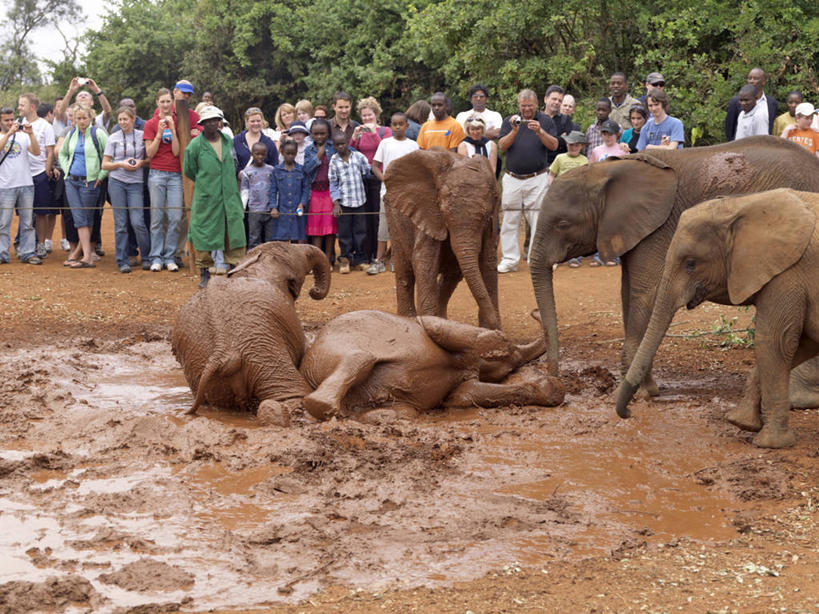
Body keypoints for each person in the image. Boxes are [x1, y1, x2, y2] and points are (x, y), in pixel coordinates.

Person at [183, 106, 246, 288]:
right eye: (207, 121)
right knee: (204, 232)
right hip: (207, 196)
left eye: (215, 120)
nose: (211, 124)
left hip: (229, 195)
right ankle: (204, 272)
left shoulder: (227, 140)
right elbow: (190, 170)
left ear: (219, 121)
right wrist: (208, 182)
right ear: (202, 124)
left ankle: (234, 271)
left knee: (233, 231)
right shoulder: (194, 146)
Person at [496, 89, 558, 273]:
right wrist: (514, 130)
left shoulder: (545, 120)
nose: (527, 109)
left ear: (536, 104)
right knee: (509, 219)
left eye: (530, 106)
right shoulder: (510, 121)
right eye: (523, 106)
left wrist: (540, 131)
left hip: (537, 178)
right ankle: (509, 260)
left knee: (538, 219)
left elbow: (554, 145)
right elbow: (502, 146)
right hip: (512, 178)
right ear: (519, 105)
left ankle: (537, 259)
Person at [143, 88, 188, 272]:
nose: (165, 105)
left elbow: (177, 152)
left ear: (172, 102)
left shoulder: (178, 121)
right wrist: (160, 133)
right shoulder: (150, 124)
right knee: (157, 218)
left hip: (175, 174)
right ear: (157, 103)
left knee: (176, 217)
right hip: (156, 174)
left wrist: (173, 131)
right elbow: (150, 153)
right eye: (162, 101)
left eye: (168, 101)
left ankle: (170, 256)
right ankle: (156, 256)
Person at [102, 106, 151, 273]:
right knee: (121, 223)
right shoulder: (113, 138)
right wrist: (121, 164)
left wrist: (141, 163)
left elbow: (148, 158)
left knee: (138, 221)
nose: (123, 122)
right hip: (117, 182)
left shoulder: (141, 135)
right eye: (120, 119)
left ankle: (146, 257)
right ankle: (122, 260)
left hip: (136, 183)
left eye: (126, 119)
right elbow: (105, 164)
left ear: (133, 119)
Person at [58, 105, 107, 269]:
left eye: (84, 118)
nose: (81, 121)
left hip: (90, 181)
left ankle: (83, 255)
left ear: (90, 118)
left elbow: (108, 157)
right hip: (72, 181)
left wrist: (100, 176)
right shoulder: (72, 134)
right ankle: (85, 256)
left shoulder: (98, 133)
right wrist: (67, 171)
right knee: (79, 219)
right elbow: (62, 153)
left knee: (87, 218)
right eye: (78, 118)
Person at [371, 112, 419, 275]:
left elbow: (417, 169)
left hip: (407, 194)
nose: (397, 127)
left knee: (403, 227)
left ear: (407, 126)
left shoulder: (413, 145)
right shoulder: (385, 143)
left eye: (401, 124)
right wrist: (384, 178)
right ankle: (379, 260)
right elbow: (375, 165)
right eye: (394, 124)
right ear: (390, 126)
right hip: (387, 192)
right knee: (383, 228)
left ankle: (396, 259)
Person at [351, 96, 391, 265]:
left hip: (379, 177)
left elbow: (386, 149)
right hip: (362, 178)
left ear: (376, 114)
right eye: (364, 115)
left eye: (370, 115)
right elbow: (351, 151)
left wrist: (374, 134)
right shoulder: (359, 133)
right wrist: (354, 136)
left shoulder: (385, 131)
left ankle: (379, 253)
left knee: (377, 216)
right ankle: (366, 254)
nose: (367, 119)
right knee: (363, 217)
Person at [0, 106, 42, 265]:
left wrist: (31, 135)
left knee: (27, 222)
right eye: (6, 120)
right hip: (5, 186)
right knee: (3, 222)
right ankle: (2, 253)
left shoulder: (23, 137)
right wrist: (9, 134)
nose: (10, 122)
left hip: (26, 184)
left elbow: (37, 152)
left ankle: (28, 252)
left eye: (12, 119)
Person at [18, 93, 57, 259]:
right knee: (25, 212)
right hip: (21, 175)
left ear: (32, 107)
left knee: (41, 212)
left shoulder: (45, 126)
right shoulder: (18, 124)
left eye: (22, 105)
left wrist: (46, 172)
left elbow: (50, 152)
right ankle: (24, 244)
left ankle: (40, 244)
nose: (19, 107)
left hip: (39, 173)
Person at [329, 131, 370, 273]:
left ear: (348, 142)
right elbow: (333, 183)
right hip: (344, 203)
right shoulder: (334, 161)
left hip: (360, 201)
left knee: (360, 231)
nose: (341, 146)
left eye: (343, 143)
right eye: (337, 144)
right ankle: (345, 259)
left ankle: (360, 259)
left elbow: (366, 172)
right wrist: (336, 203)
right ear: (334, 146)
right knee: (344, 233)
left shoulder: (358, 157)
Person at [547, 130, 589, 268]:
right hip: (561, 198)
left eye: (576, 145)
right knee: (558, 227)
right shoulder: (560, 158)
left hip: (577, 200)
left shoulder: (584, 160)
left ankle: (574, 256)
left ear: (581, 146)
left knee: (575, 228)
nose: (572, 147)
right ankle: (555, 255)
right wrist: (552, 187)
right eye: (570, 144)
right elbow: (552, 174)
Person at [303, 118, 337, 264]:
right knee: (316, 229)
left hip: (330, 192)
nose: (319, 137)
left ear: (328, 133)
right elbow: (307, 169)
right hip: (315, 193)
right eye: (316, 134)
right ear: (311, 134)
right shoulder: (309, 150)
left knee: (330, 229)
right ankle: (318, 262)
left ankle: (328, 260)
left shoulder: (334, 147)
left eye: (322, 134)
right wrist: (319, 155)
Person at [270, 140, 310, 243]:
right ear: (282, 152)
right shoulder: (276, 170)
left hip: (297, 209)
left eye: (293, 153)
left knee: (296, 239)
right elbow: (273, 190)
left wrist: (302, 204)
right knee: (281, 240)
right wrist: (273, 207)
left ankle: (294, 259)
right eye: (287, 153)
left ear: (296, 153)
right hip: (282, 209)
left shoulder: (301, 170)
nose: (290, 156)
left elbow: (306, 189)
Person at [239, 142, 275, 248]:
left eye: (263, 154)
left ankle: (269, 260)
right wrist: (242, 208)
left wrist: (274, 206)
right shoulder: (247, 172)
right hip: (254, 211)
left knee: (270, 239)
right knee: (254, 237)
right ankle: (254, 261)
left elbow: (275, 189)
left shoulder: (271, 170)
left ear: (266, 155)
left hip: (269, 210)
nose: (260, 157)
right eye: (257, 154)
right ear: (252, 154)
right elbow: (245, 191)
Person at [725, 67, 778, 140]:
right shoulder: (736, 102)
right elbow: (730, 129)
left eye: (755, 79)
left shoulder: (771, 103)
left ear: (764, 81)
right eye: (749, 78)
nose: (752, 81)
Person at [233, 107, 279, 172]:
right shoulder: (237, 140)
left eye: (258, 121)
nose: (256, 123)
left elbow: (275, 165)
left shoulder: (269, 143)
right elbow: (231, 164)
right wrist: (238, 173)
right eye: (252, 121)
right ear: (246, 122)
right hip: (241, 181)